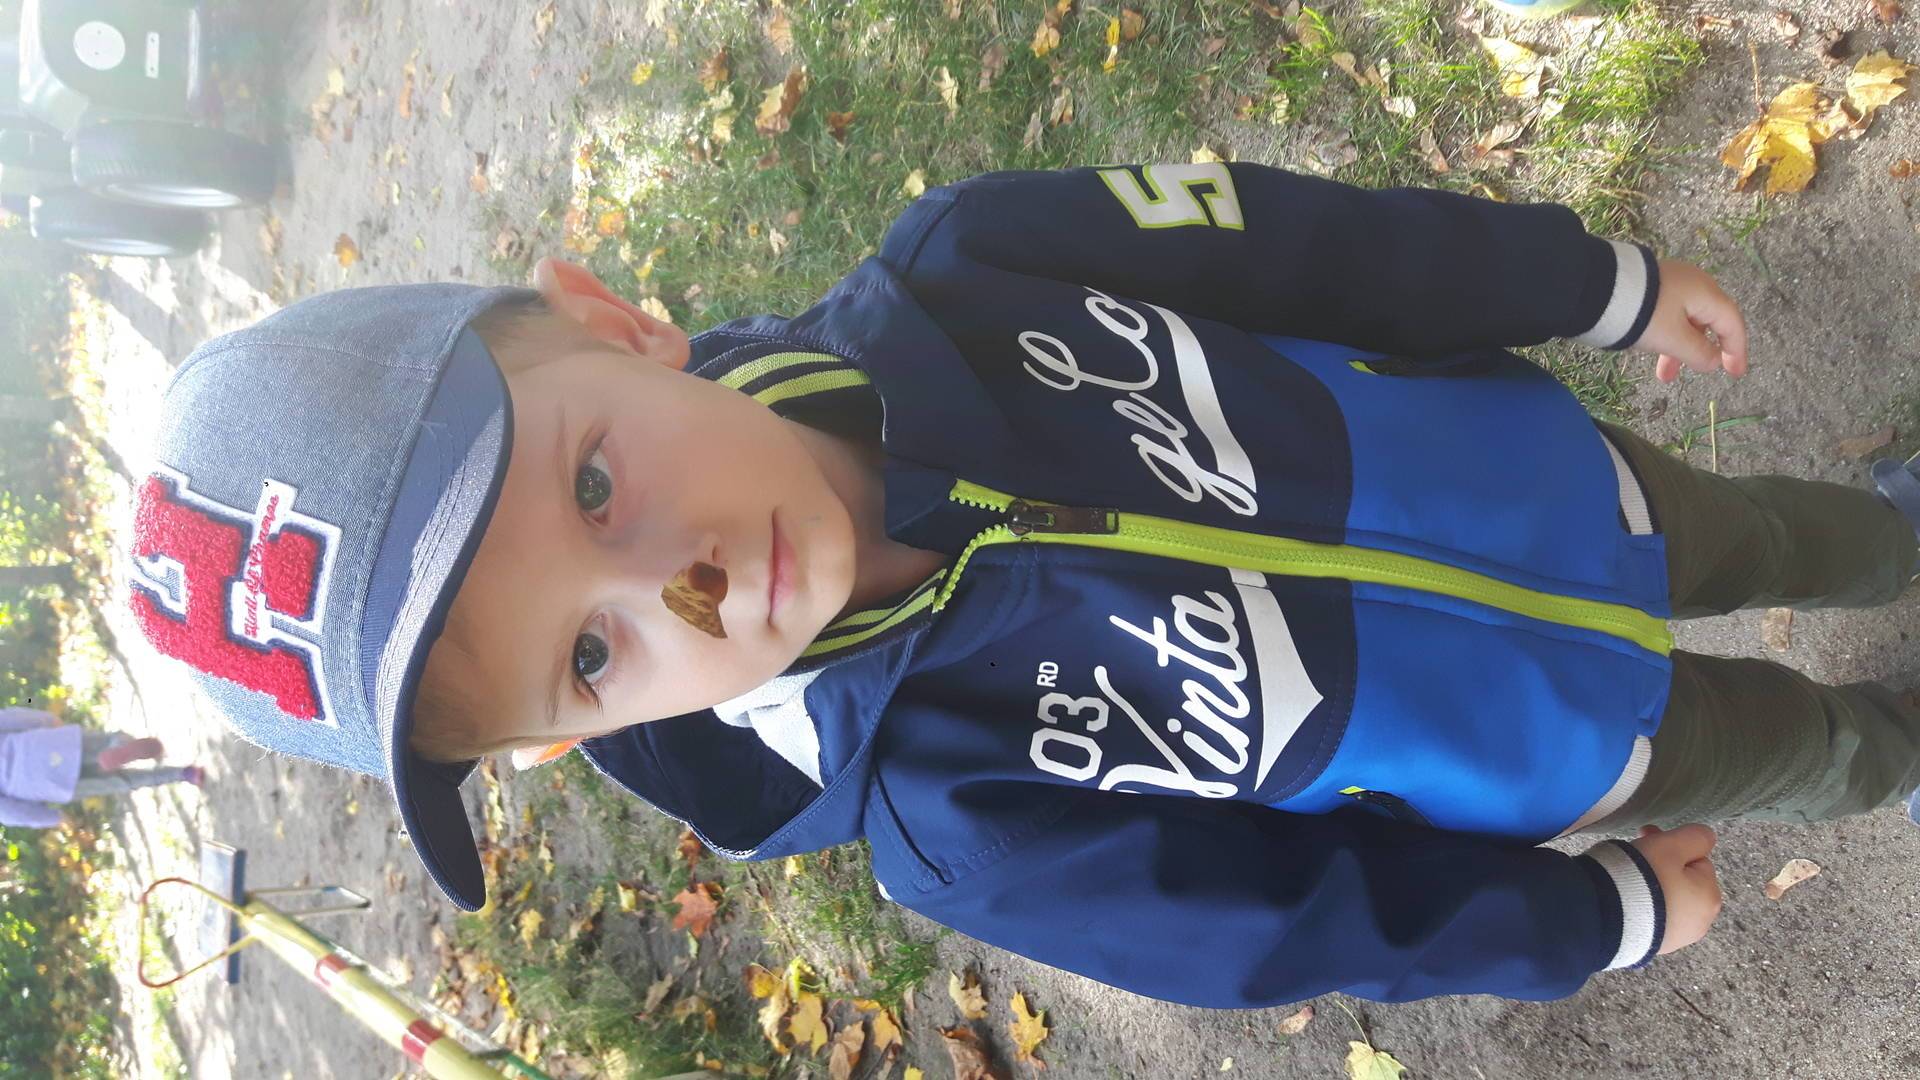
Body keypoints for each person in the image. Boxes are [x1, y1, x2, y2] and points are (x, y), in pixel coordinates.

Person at [125, 162, 1920, 1007]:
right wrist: (1586, 922)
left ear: (611, 321)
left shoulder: (975, 266)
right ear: (557, 741)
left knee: (1785, 535)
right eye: (588, 659)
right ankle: (1895, 749)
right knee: (1808, 753)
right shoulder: (956, 825)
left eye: (594, 481)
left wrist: (1592, 282)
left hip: (1559, 479)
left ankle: (1896, 537)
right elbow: (1276, 929)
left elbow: (1320, 245)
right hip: (1560, 753)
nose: (681, 587)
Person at [0, 706, 204, 827]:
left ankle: (184, 773)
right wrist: (46, 720)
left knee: (122, 781)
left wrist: (52, 818)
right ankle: (120, 745)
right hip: (44, 745)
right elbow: (9, 718)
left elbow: (11, 812)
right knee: (104, 744)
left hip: (47, 783)